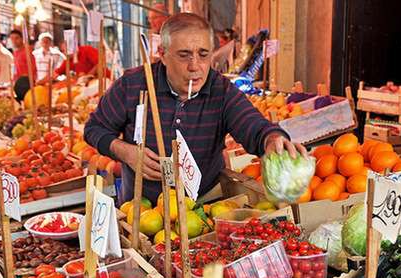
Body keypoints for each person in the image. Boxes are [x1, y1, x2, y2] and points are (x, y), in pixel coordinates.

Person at [84, 13, 307, 204]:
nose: (195, 66)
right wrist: (125, 152)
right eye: (184, 55)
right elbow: (94, 129)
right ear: (162, 54)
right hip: (139, 212)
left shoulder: (221, 90)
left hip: (202, 210)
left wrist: (273, 140)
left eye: (203, 54)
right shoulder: (133, 84)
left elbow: (255, 127)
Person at [9, 29, 36, 100]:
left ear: (22, 39)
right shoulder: (15, 52)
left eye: (16, 38)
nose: (14, 41)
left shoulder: (27, 52)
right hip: (17, 86)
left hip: (26, 87)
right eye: (12, 38)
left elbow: (33, 70)